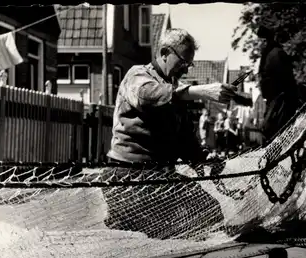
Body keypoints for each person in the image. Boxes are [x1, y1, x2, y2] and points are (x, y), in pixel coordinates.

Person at [103, 28, 241, 239]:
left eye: (189, 65)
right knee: (156, 234)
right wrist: (200, 91)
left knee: (209, 212)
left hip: (159, 176)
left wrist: (203, 159)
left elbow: (185, 138)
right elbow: (146, 96)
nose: (185, 71)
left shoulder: (176, 91)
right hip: (127, 176)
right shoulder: (137, 75)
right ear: (165, 53)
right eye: (183, 63)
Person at [256, 24, 300, 145]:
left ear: (266, 40)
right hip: (276, 101)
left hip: (280, 102)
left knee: (272, 134)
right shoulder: (274, 53)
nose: (260, 45)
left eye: (262, 41)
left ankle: (273, 161)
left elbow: (282, 81)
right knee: (271, 135)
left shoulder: (275, 55)